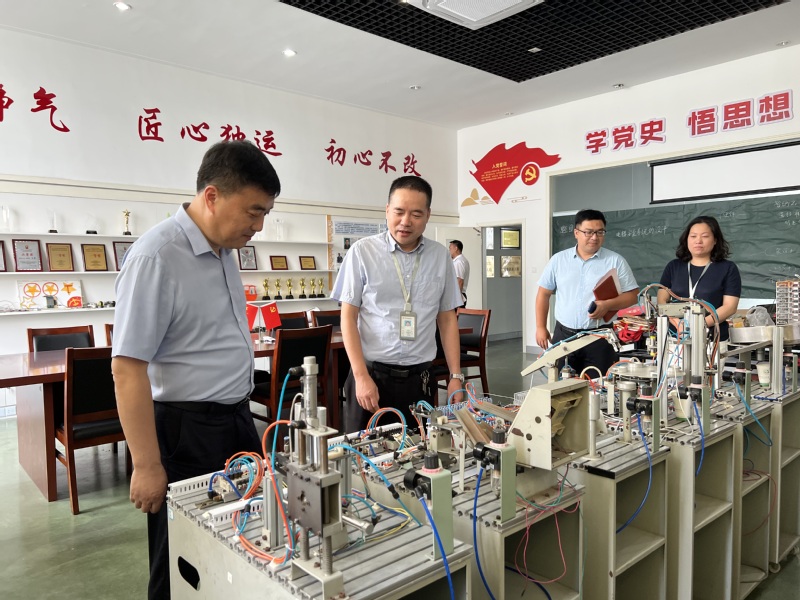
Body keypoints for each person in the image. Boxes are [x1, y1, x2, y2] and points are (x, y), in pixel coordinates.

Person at [111, 140, 280, 600]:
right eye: (253, 211)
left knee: (241, 539)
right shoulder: (156, 257)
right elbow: (127, 369)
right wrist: (147, 465)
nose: (259, 226)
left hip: (235, 421)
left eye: (265, 213)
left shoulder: (224, 250)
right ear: (212, 196)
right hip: (186, 431)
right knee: (181, 558)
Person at [332, 175, 464, 433]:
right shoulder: (362, 252)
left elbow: (447, 319)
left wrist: (455, 375)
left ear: (428, 215)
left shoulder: (440, 256)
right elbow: (348, 317)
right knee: (365, 453)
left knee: (419, 451)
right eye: (399, 211)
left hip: (420, 381)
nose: (406, 221)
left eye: (416, 214)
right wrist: (360, 376)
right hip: (371, 379)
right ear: (387, 210)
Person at [535, 209, 638, 375]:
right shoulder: (558, 260)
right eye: (588, 232)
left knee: (598, 385)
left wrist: (607, 305)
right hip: (564, 336)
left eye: (600, 232)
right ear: (576, 233)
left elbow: (632, 296)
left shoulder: (615, 261)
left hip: (599, 337)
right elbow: (543, 294)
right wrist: (540, 327)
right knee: (560, 385)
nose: (594, 237)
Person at [657, 215, 741, 340]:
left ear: (715, 240)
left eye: (705, 236)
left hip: (712, 339)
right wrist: (677, 323)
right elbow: (662, 301)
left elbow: (730, 307)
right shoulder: (674, 266)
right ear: (686, 239)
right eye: (693, 236)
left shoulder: (727, 268)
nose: (698, 241)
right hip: (676, 337)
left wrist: (699, 325)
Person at [449, 239, 470, 308]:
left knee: (456, 314)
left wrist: (457, 299)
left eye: (450, 248)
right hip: (457, 296)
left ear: (456, 248)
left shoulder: (459, 262)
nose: (449, 251)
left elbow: (460, 280)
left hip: (457, 297)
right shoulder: (460, 260)